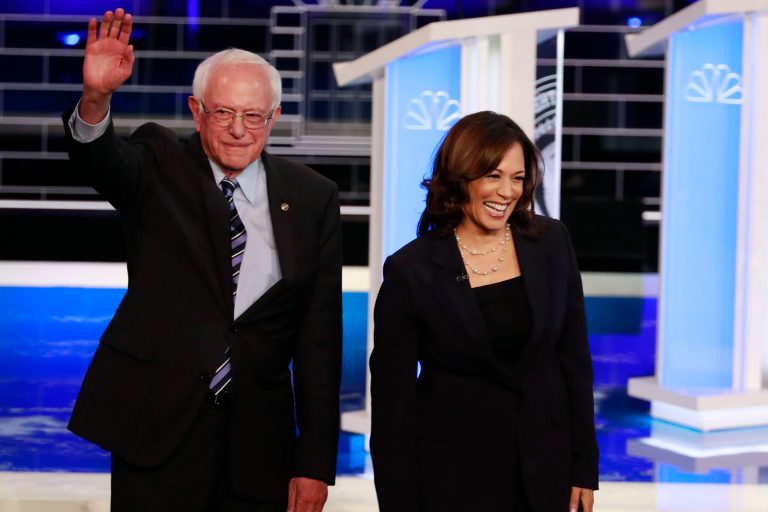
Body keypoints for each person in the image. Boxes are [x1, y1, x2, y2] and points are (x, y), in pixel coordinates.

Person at [62, 8, 342, 512]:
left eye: (253, 115)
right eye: (223, 113)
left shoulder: (312, 197)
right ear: (197, 111)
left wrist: (314, 462)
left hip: (259, 446)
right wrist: (97, 97)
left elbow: (318, 341)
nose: (239, 129)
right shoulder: (159, 164)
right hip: (157, 430)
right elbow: (100, 159)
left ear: (273, 117)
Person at [370, 111, 599, 511]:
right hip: (454, 477)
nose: (507, 191)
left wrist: (584, 467)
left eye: (517, 177)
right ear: (461, 176)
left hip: (547, 470)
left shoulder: (551, 242)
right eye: (493, 175)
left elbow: (575, 361)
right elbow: (394, 406)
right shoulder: (412, 269)